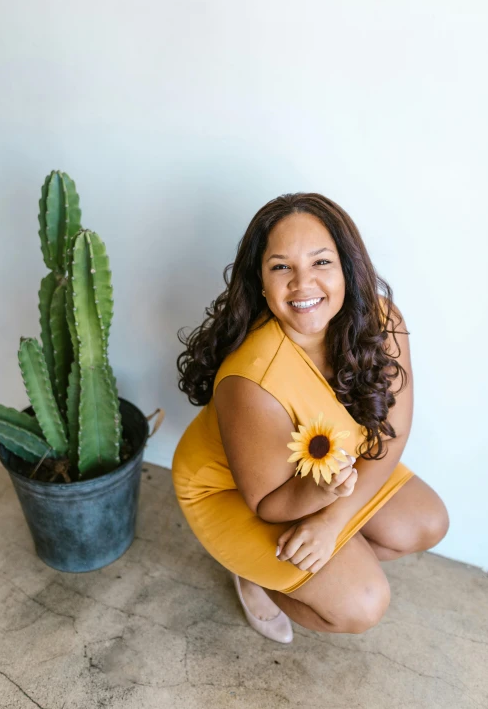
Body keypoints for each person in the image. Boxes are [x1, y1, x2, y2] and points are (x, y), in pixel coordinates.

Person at [172, 192, 449, 642]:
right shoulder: (251, 381)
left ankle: (327, 560)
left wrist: (332, 522)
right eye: (281, 266)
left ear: (347, 268)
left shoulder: (381, 319)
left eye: (321, 262)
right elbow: (267, 503)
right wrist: (323, 505)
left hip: (325, 477)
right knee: (361, 603)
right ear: (260, 281)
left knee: (425, 521)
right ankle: (255, 577)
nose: (303, 284)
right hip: (238, 492)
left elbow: (393, 430)